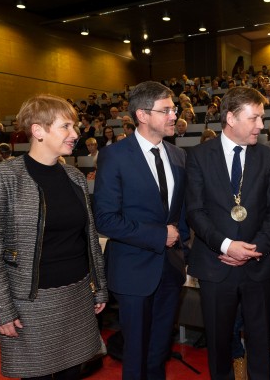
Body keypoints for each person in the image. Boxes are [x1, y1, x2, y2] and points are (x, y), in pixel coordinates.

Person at [0, 94, 108, 379]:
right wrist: (1, 309)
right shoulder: (3, 177)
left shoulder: (74, 177)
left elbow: (88, 237)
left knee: (73, 373)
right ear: (38, 130)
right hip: (31, 304)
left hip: (77, 296)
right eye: (66, 127)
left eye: (75, 127)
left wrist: (100, 286)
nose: (75, 134)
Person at [185, 86, 270, 380]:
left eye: (262, 118)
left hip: (258, 264)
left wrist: (253, 248)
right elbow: (195, 211)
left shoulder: (268, 158)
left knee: (260, 340)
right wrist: (228, 245)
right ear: (231, 117)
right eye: (254, 118)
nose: (261, 125)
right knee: (218, 342)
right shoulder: (199, 156)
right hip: (216, 265)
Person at [93, 81, 189, 380]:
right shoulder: (115, 156)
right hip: (133, 271)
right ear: (142, 115)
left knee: (159, 351)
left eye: (174, 109)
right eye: (167, 110)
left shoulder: (178, 156)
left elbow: (180, 213)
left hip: (170, 268)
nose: (174, 115)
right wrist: (160, 235)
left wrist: (180, 244)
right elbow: (106, 219)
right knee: (135, 353)